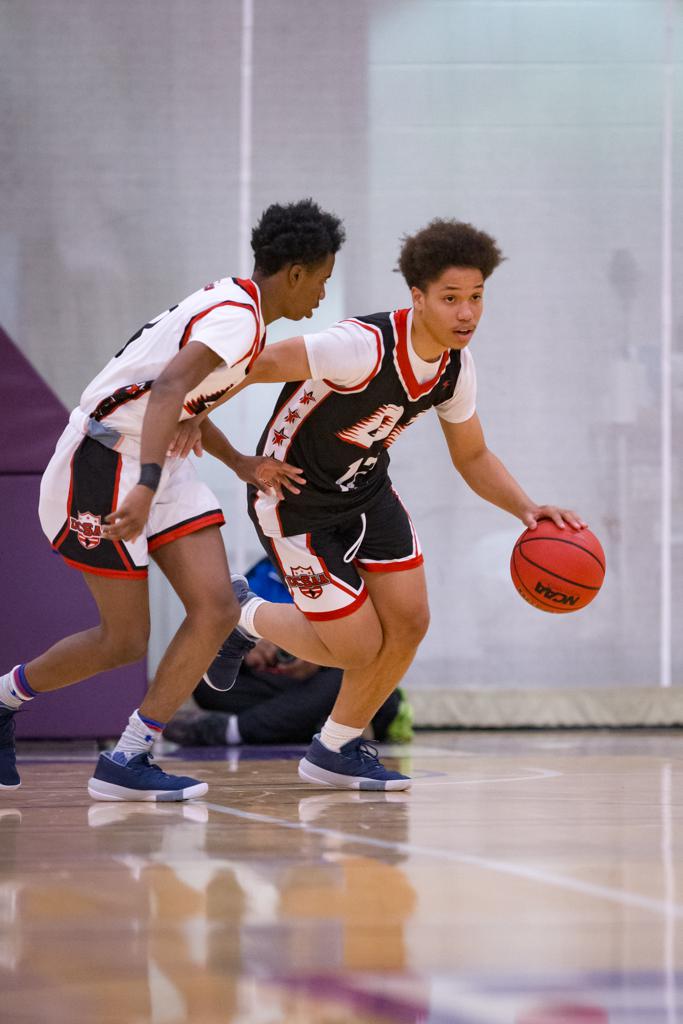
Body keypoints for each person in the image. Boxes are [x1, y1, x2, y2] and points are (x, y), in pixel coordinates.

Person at [212, 218, 587, 791]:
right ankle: (243, 614)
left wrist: (527, 511)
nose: (467, 313)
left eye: (477, 298)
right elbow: (253, 364)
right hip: (293, 501)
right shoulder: (358, 346)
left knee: (410, 623)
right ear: (418, 296)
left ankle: (333, 748)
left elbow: (474, 455)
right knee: (357, 646)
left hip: (365, 493)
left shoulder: (454, 368)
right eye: (451, 298)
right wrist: (195, 422)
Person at [0, 199, 345, 800]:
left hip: (154, 457)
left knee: (215, 609)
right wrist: (145, 484)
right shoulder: (237, 318)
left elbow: (182, 402)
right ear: (294, 273)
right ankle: (3, 698)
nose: (321, 294)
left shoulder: (241, 311)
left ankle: (128, 759)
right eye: (321, 279)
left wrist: (238, 462)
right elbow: (167, 391)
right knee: (123, 641)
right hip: (103, 461)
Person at [163, 558, 413, 747]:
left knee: (359, 683)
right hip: (274, 680)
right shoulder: (261, 574)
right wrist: (252, 646)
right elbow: (226, 628)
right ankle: (306, 724)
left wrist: (318, 658)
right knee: (207, 681)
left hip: (322, 678)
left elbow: (367, 640)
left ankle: (234, 730)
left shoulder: (347, 575)